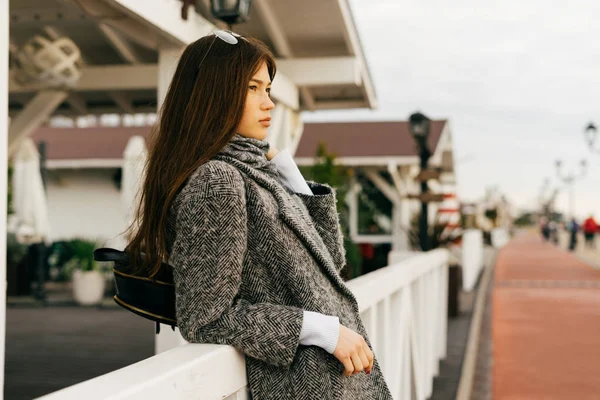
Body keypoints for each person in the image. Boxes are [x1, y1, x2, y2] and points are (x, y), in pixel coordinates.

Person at [125, 31, 392, 400]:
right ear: (213, 93)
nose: (268, 103)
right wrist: (319, 329)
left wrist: (290, 175)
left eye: (267, 89)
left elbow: (330, 264)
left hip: (336, 384)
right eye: (252, 88)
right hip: (303, 387)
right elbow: (205, 318)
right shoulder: (216, 181)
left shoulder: (257, 173)